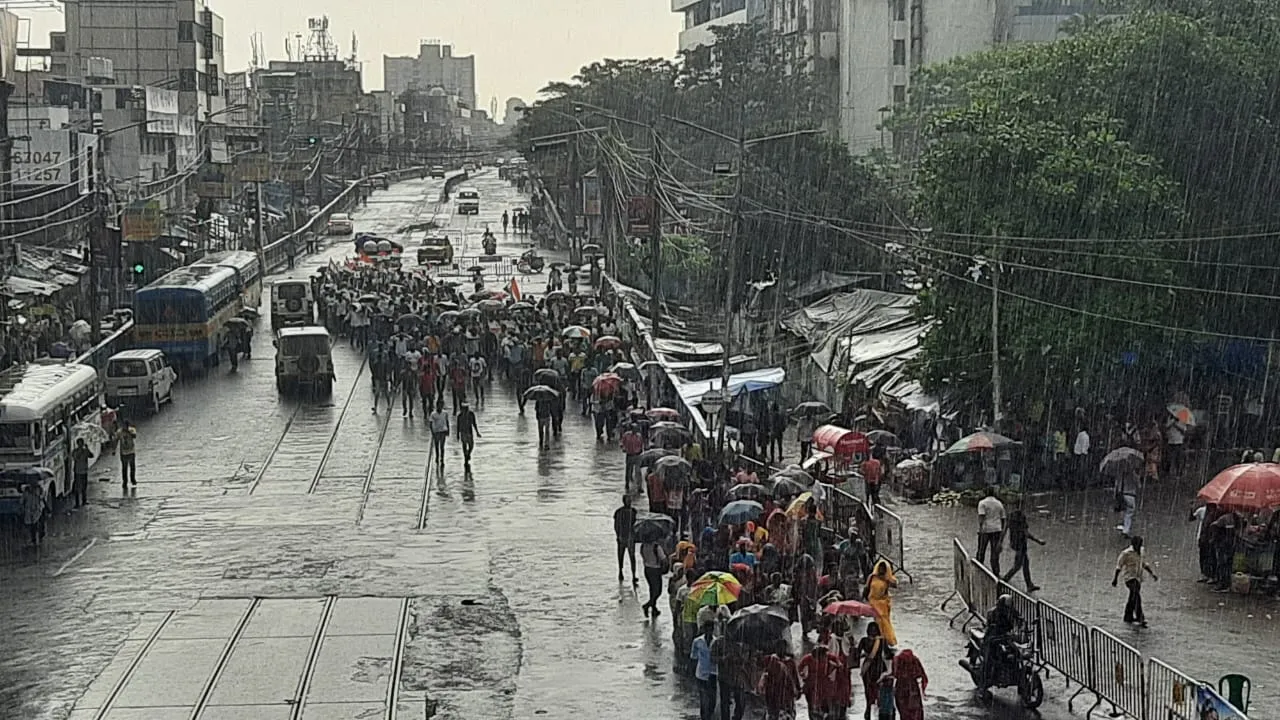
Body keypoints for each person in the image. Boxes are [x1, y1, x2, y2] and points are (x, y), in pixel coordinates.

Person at [1112, 534, 1158, 628]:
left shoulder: (1141, 551)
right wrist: (1115, 579)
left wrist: (1152, 573)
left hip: (1138, 577)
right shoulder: (1126, 553)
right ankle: (1140, 617)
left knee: (1132, 596)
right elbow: (1119, 566)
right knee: (1136, 595)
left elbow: (1143, 563)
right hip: (1129, 578)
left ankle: (1128, 616)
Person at [981, 594, 1022, 690]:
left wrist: (1022, 626)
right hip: (993, 638)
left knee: (1015, 652)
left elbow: (1019, 619)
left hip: (1005, 637)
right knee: (989, 658)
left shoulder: (1011, 611)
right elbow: (990, 627)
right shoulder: (993, 613)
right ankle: (983, 685)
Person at [1002, 507, 1045, 592]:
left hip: (1014, 542)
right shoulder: (1021, 517)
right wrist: (1037, 540)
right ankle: (1005, 580)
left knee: (1025, 563)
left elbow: (1005, 529)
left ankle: (1029, 584)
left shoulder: (1010, 516)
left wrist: (1001, 541)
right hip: (1021, 543)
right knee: (1018, 565)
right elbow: (1026, 532)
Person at [855, 622, 890, 720]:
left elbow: (888, 653)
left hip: (879, 667)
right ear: (868, 630)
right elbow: (857, 654)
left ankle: (879, 708)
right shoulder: (863, 641)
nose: (873, 631)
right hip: (868, 668)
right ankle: (868, 707)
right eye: (871, 629)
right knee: (868, 689)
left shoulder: (882, 641)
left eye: (875, 629)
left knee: (880, 689)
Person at [865, 560, 899, 646]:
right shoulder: (872, 577)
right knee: (878, 622)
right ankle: (880, 640)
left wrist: (887, 578)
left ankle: (886, 640)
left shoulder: (887, 579)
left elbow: (895, 584)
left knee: (885, 623)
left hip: (883, 603)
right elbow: (866, 588)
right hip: (873, 602)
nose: (881, 570)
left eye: (883, 568)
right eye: (880, 568)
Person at [759, 651, 801, 720]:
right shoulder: (770, 660)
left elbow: (794, 677)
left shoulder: (790, 662)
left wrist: (797, 689)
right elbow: (764, 677)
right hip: (774, 695)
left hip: (785, 696)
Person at [691, 624, 719, 720]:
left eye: (710, 630)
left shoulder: (717, 642)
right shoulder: (697, 641)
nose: (708, 633)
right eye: (707, 630)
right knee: (703, 698)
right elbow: (693, 656)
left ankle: (710, 714)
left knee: (712, 698)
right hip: (701, 674)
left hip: (713, 673)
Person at [976, 487, 1005, 575]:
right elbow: (1003, 518)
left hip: (986, 530)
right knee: (994, 553)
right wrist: (1002, 531)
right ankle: (996, 573)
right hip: (997, 529)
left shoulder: (982, 503)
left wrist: (980, 529)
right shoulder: (999, 503)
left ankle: (979, 570)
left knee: (981, 551)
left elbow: (981, 517)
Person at [891, 649, 928, 720]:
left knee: (903, 711)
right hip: (913, 688)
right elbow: (920, 674)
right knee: (915, 712)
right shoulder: (915, 659)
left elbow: (894, 673)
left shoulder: (897, 659)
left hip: (900, 687)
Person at [613, 495, 638, 584]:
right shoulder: (619, 512)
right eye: (628, 500)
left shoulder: (633, 512)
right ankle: (620, 571)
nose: (629, 502)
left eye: (630, 500)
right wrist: (618, 535)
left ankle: (634, 575)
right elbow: (616, 525)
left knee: (632, 557)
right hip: (622, 537)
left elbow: (636, 525)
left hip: (630, 537)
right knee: (621, 556)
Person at [640, 538, 666, 618]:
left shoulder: (642, 546)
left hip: (647, 569)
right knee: (658, 591)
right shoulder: (656, 547)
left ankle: (654, 608)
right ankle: (647, 605)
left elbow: (642, 556)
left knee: (652, 589)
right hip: (655, 570)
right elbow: (663, 559)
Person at [1115, 462, 1142, 537]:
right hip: (1131, 495)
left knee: (1124, 511)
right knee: (1129, 513)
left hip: (1122, 495)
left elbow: (1117, 486)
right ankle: (1126, 530)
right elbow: (1139, 486)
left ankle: (1123, 525)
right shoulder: (1134, 475)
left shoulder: (1120, 475)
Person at [456, 401, 481, 467]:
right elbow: (458, 425)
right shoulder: (460, 416)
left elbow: (474, 423)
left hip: (469, 432)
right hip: (463, 432)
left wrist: (477, 432)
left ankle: (468, 454)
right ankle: (465, 458)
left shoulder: (471, 414)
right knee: (464, 445)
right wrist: (457, 434)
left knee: (471, 445)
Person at [71, 438, 94, 508]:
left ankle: (84, 500)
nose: (80, 445)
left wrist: (87, 449)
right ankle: (77, 503)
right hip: (78, 471)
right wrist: (80, 451)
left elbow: (91, 455)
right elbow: (75, 457)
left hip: (84, 471)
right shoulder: (75, 451)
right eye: (79, 443)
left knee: (84, 487)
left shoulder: (85, 451)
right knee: (77, 488)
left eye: (82, 443)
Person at [116, 419, 137, 492]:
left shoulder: (132, 430)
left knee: (132, 467)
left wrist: (129, 432)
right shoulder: (119, 432)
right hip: (123, 452)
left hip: (131, 451)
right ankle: (125, 481)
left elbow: (134, 436)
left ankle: (133, 479)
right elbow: (116, 440)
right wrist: (114, 449)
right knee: (124, 468)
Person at [429, 401, 449, 473]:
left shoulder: (445, 413)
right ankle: (437, 456)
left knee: (442, 446)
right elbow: (430, 424)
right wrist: (432, 432)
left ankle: (442, 458)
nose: (440, 407)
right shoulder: (433, 414)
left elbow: (447, 421)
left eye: (441, 405)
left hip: (443, 431)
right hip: (436, 432)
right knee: (437, 446)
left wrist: (448, 430)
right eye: (439, 405)